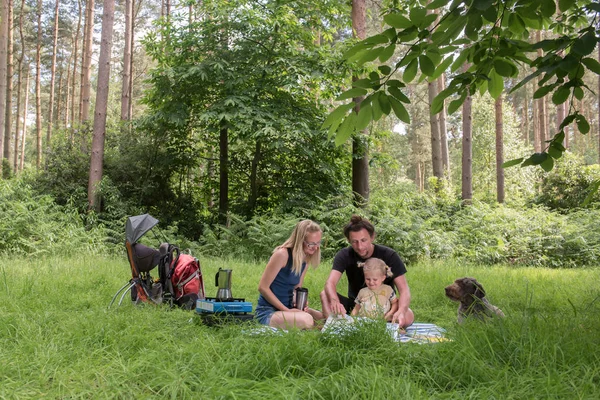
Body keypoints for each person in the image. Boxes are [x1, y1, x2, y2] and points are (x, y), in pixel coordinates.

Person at [321, 215, 415, 327]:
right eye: (354, 242)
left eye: (363, 240)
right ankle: (334, 326)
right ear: (348, 240)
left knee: (408, 315)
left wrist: (401, 311)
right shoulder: (344, 255)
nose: (360, 246)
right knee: (325, 294)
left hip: (384, 307)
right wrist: (334, 301)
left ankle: (386, 324)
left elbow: (404, 289)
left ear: (372, 237)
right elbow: (330, 283)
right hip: (357, 306)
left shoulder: (389, 255)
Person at [255, 219, 324, 329]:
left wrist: (302, 304)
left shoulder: (306, 259)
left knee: (325, 317)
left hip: (289, 308)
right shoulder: (282, 254)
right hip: (269, 311)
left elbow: (297, 288)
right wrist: (287, 310)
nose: (315, 248)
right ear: (300, 241)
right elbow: (263, 288)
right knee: (307, 319)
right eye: (311, 244)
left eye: (318, 243)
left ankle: (314, 325)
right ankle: (313, 328)